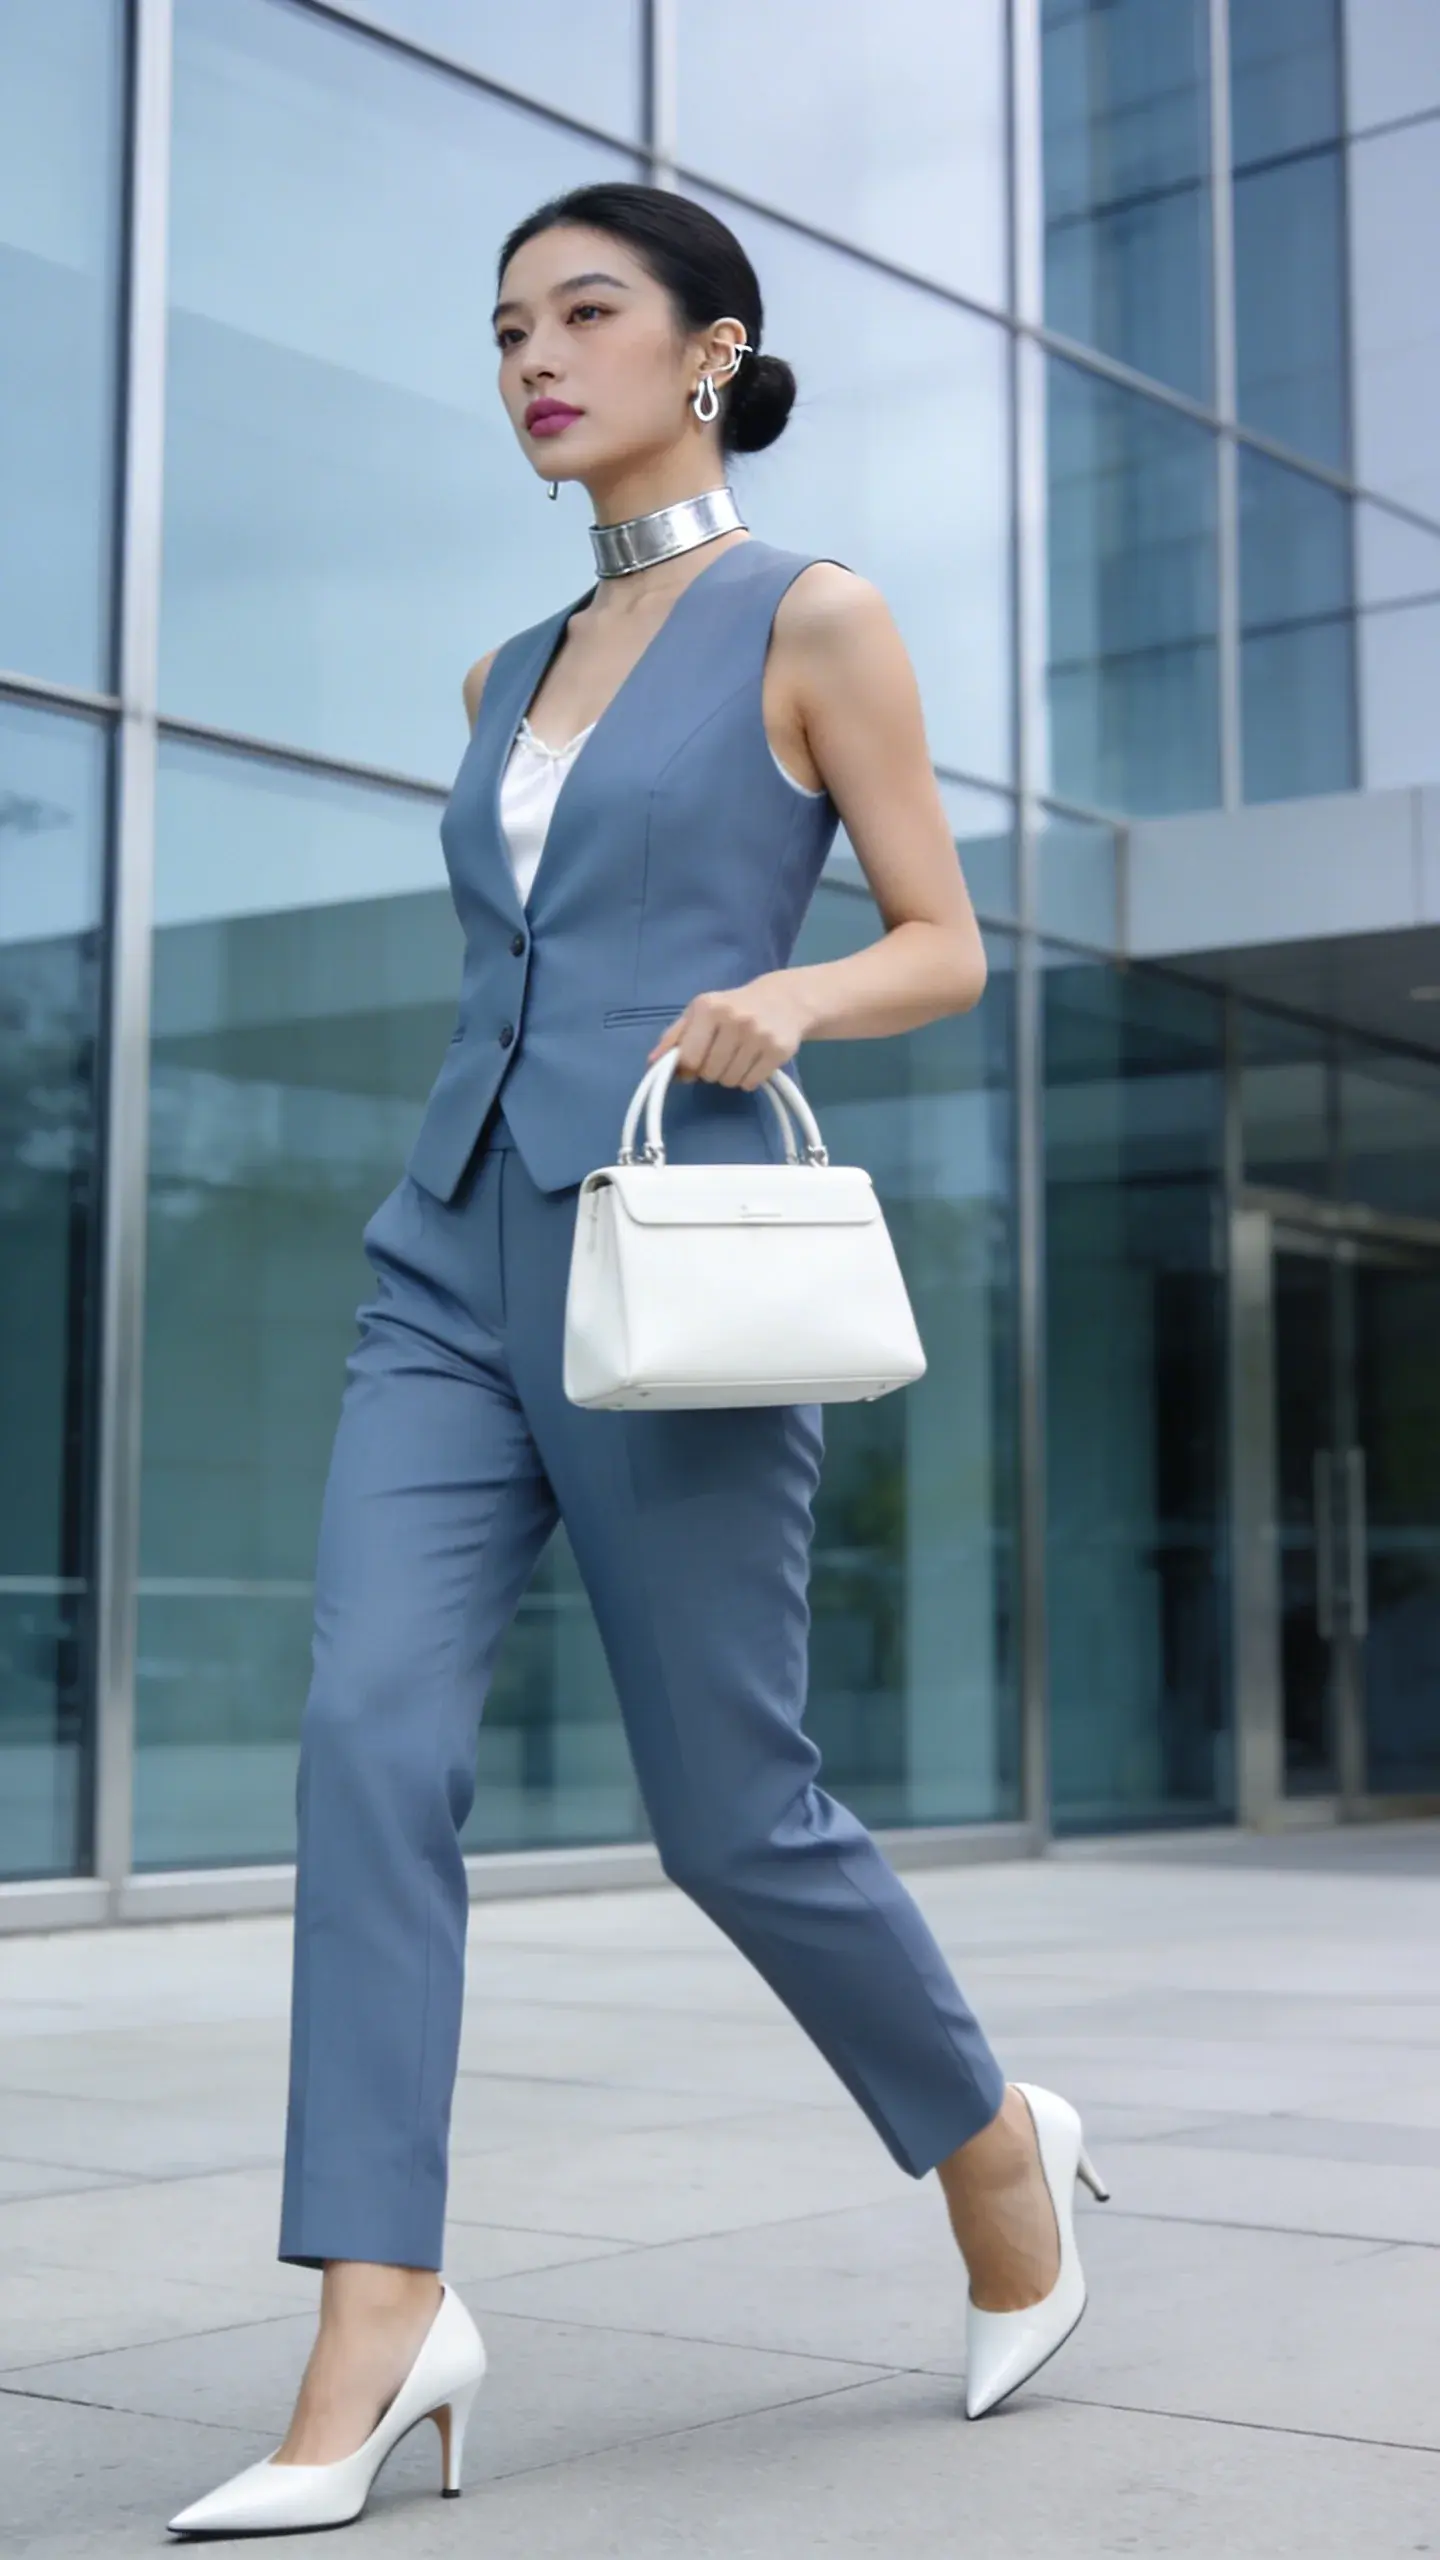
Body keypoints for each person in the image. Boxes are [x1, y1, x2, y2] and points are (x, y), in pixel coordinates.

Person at [166, 181, 1107, 2542]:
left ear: (713, 347)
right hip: (445, 1258)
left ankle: (997, 2145)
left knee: (729, 1808)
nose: (533, 360)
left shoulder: (818, 616)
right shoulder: (499, 673)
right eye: (505, 330)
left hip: (669, 1269)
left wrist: (791, 990)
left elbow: (942, 942)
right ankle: (380, 2306)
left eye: (584, 313)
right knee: (369, 1742)